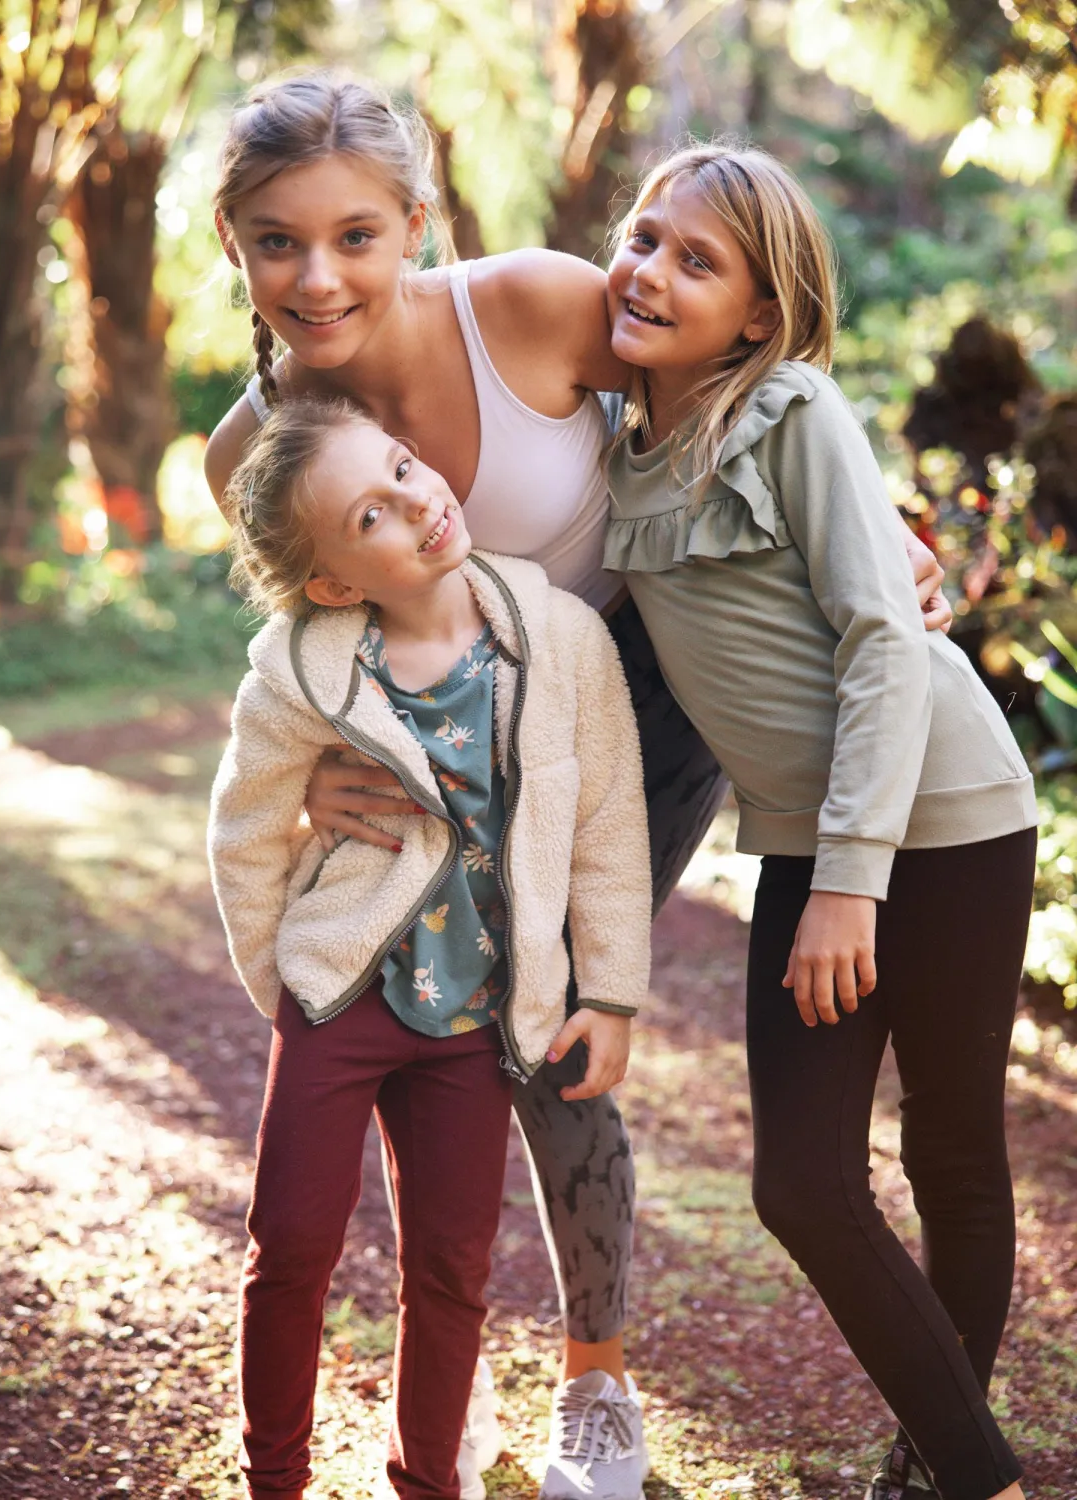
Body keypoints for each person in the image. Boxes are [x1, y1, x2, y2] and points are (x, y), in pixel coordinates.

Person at [204, 71, 953, 1500]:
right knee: (444, 1024)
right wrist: (313, 803)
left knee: (540, 1015)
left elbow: (748, 383)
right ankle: (448, 1385)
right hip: (454, 750)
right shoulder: (252, 454)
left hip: (644, 688)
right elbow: (298, 662)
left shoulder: (536, 309)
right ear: (231, 244)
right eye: (276, 241)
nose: (318, 276)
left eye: (357, 235)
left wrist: (879, 531)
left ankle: (596, 1388)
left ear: (414, 221)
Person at [601, 140, 1038, 1500]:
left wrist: (852, 878)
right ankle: (975, 1466)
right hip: (812, 841)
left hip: (949, 817)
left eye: (698, 259)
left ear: (762, 315)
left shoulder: (791, 412)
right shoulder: (614, 450)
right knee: (800, 1184)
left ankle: (951, 1470)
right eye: (644, 234)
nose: (651, 268)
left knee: (953, 1147)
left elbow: (880, 643)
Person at [207, 395, 652, 1499]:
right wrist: (285, 984)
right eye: (370, 514)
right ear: (335, 583)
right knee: (292, 1247)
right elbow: (247, 829)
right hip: (342, 993)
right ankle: (275, 1479)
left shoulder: (560, 638)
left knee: (451, 1266)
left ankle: (427, 1484)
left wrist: (614, 992)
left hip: (479, 1015)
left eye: (404, 469)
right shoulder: (300, 670)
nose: (415, 502)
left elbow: (606, 823)